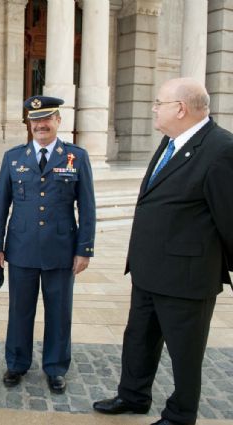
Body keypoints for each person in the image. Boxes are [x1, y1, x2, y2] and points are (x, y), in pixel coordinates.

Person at [93, 79, 233, 425]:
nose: (154, 108)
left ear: (181, 109)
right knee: (138, 339)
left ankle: (180, 414)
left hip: (187, 277)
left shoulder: (220, 149)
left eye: (159, 103)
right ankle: (133, 395)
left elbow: (229, 218)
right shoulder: (170, 142)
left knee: (185, 353)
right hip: (148, 270)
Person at [0, 95, 96, 393]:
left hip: (61, 249)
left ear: (58, 121)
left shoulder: (76, 157)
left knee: (59, 311)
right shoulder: (14, 158)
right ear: (28, 124)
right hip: (21, 247)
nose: (40, 125)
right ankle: (17, 363)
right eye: (35, 120)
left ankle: (56, 366)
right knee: (20, 310)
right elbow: (0, 204)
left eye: (47, 119)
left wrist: (84, 249)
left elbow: (87, 207)